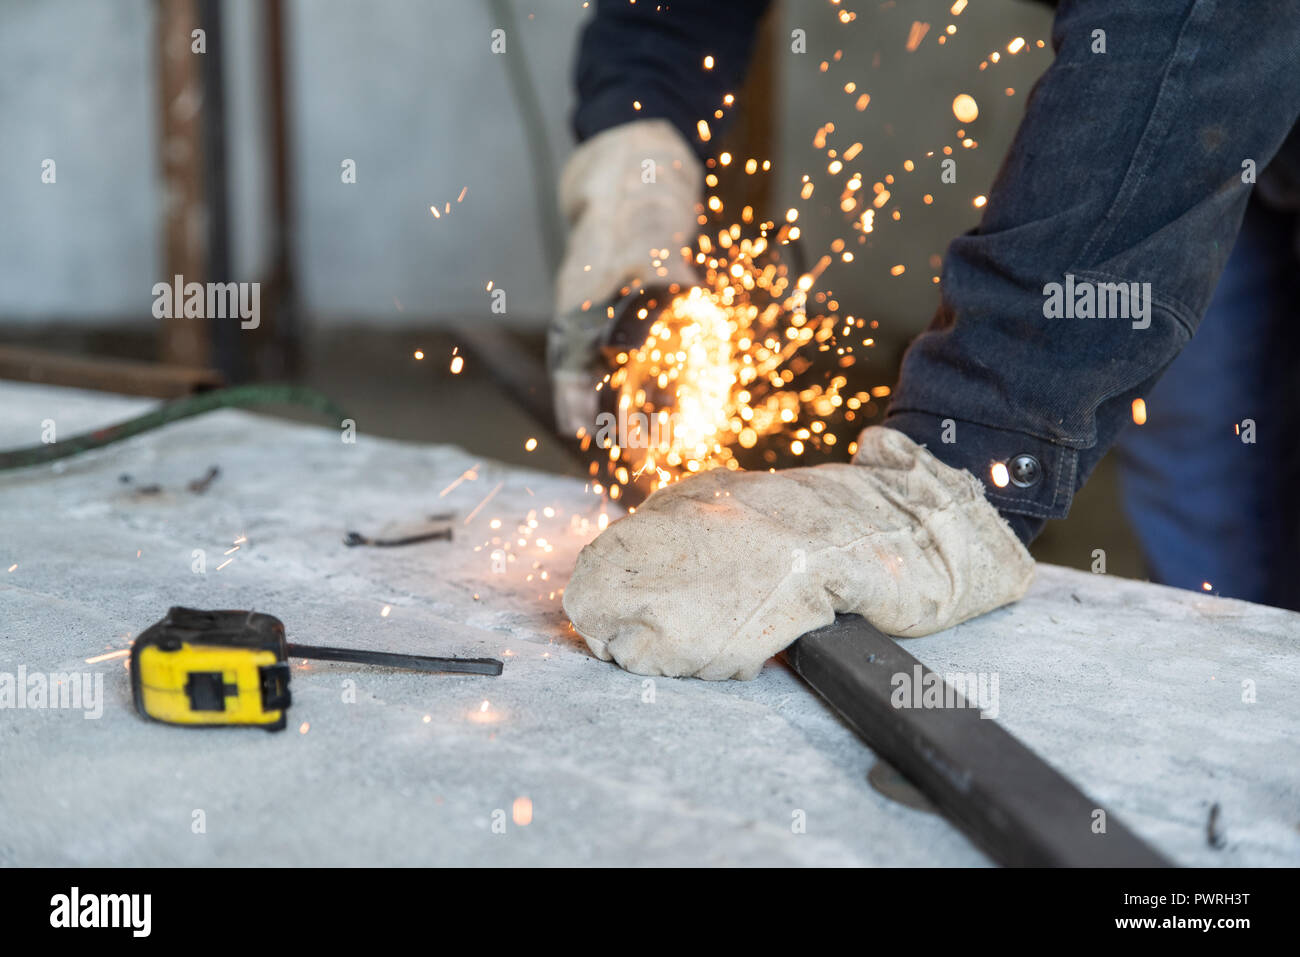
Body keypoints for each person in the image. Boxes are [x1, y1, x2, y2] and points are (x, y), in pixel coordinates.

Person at [552, 0, 1300, 679]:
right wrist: (636, 186)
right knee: (1200, 452)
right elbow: (668, 20)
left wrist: (951, 468)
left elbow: (1183, 37)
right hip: (1214, 86)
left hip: (1211, 45)